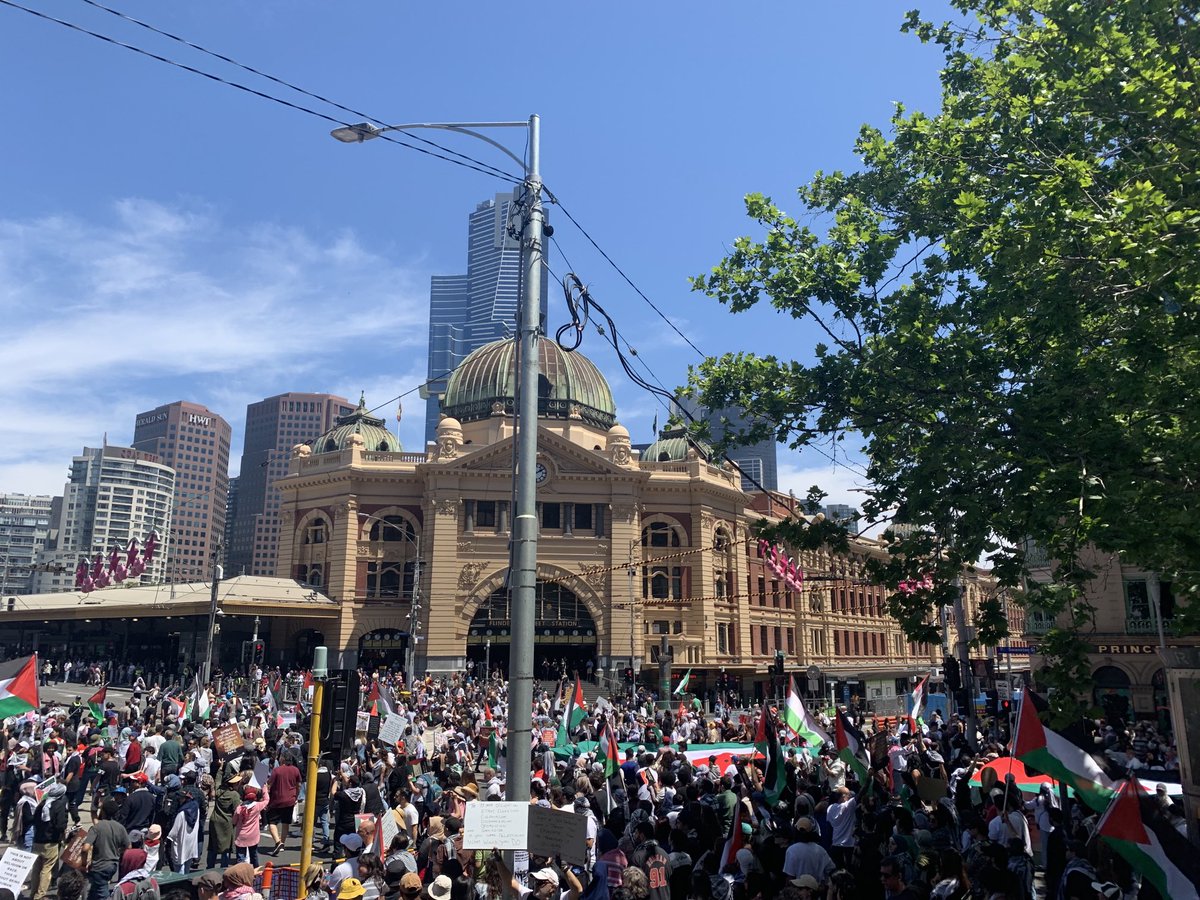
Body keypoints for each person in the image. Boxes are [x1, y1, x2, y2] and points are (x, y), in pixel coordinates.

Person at [83, 798, 131, 900]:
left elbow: (85, 848)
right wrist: (117, 852)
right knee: (95, 890)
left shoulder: (97, 827)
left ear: (103, 811)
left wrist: (84, 863)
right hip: (113, 865)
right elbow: (128, 847)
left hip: (99, 866)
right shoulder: (120, 827)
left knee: (102, 892)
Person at [30, 782, 69, 900]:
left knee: (36, 869)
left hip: (37, 840)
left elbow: (35, 820)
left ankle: (33, 893)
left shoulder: (42, 804)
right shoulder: (59, 805)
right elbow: (60, 825)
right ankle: (40, 895)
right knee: (46, 870)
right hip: (51, 842)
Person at [266, 750, 302, 855]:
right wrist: (296, 795)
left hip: (276, 800)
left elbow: (269, 784)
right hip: (290, 800)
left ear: (282, 759)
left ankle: (277, 842)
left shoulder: (277, 770)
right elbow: (298, 785)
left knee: (272, 823)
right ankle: (282, 843)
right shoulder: (296, 770)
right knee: (286, 823)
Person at [232, 784, 270, 866]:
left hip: (241, 836)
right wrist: (264, 787)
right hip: (253, 835)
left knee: (240, 858)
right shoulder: (257, 806)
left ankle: (241, 875)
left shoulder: (239, 808)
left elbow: (234, 821)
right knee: (254, 855)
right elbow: (267, 800)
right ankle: (255, 873)